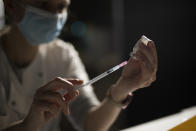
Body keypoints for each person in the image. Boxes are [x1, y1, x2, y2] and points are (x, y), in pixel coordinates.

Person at [0, 0, 158, 131]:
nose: (54, 16)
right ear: (10, 5)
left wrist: (122, 89)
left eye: (61, 6)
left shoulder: (62, 55)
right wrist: (29, 125)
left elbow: (90, 124)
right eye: (44, 5)